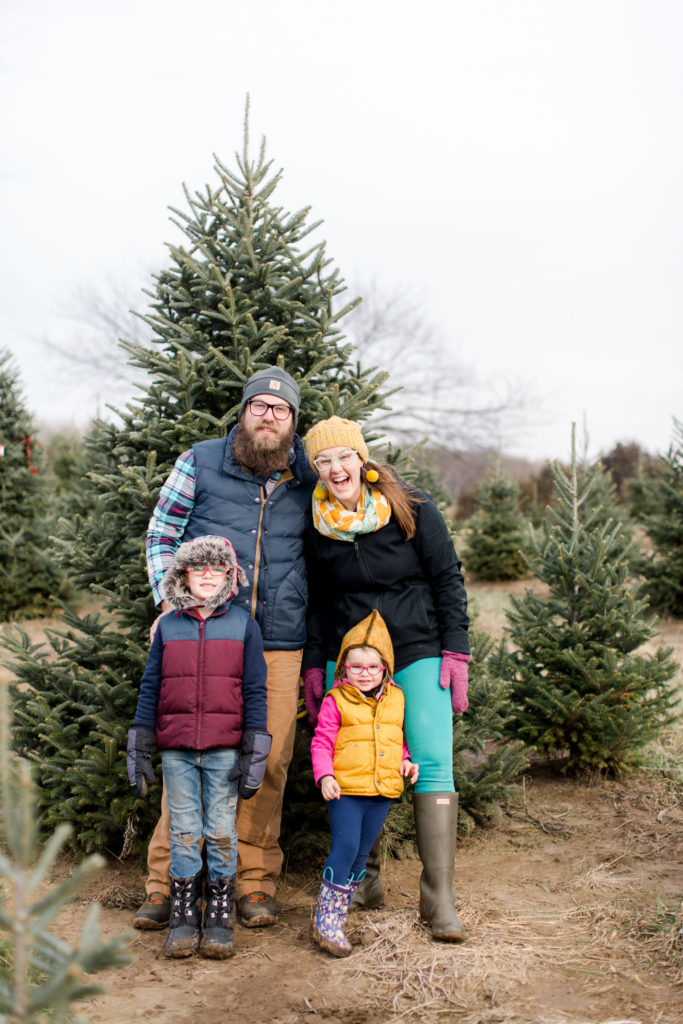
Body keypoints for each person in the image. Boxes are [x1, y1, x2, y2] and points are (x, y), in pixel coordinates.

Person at [134, 366, 317, 931]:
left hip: (280, 640)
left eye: (280, 409)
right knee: (187, 751)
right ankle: (167, 883)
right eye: (259, 405)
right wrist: (171, 601)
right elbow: (163, 532)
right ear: (242, 412)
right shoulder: (201, 460)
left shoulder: (309, 469)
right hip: (204, 632)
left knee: (271, 756)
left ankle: (254, 881)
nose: (268, 415)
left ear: (292, 422)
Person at [302, 416, 470, 943]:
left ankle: (437, 898)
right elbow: (317, 599)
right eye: (323, 461)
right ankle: (364, 881)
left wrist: (456, 650)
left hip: (417, 648)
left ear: (362, 459)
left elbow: (447, 576)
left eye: (343, 457)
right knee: (351, 759)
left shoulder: (410, 506)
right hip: (351, 656)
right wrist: (315, 661)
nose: (335, 469)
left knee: (433, 759)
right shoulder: (315, 520)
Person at [127, 535, 271, 958]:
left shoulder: (244, 626)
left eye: (216, 568)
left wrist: (254, 749)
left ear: (230, 574)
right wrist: (140, 744)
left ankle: (220, 915)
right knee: (185, 831)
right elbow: (151, 686)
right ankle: (185, 915)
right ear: (183, 574)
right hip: (177, 752)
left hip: (225, 750)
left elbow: (256, 690)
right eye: (198, 568)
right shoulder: (169, 626)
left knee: (222, 832)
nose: (207, 575)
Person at [310, 610, 419, 957]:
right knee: (345, 847)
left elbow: (394, 737)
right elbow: (321, 742)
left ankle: (338, 917)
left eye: (373, 667)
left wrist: (404, 759)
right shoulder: (336, 700)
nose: (365, 674)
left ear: (385, 668)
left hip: (382, 790)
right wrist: (325, 775)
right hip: (346, 791)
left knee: (360, 855)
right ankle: (324, 919)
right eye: (356, 667)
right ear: (344, 668)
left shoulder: (397, 698)